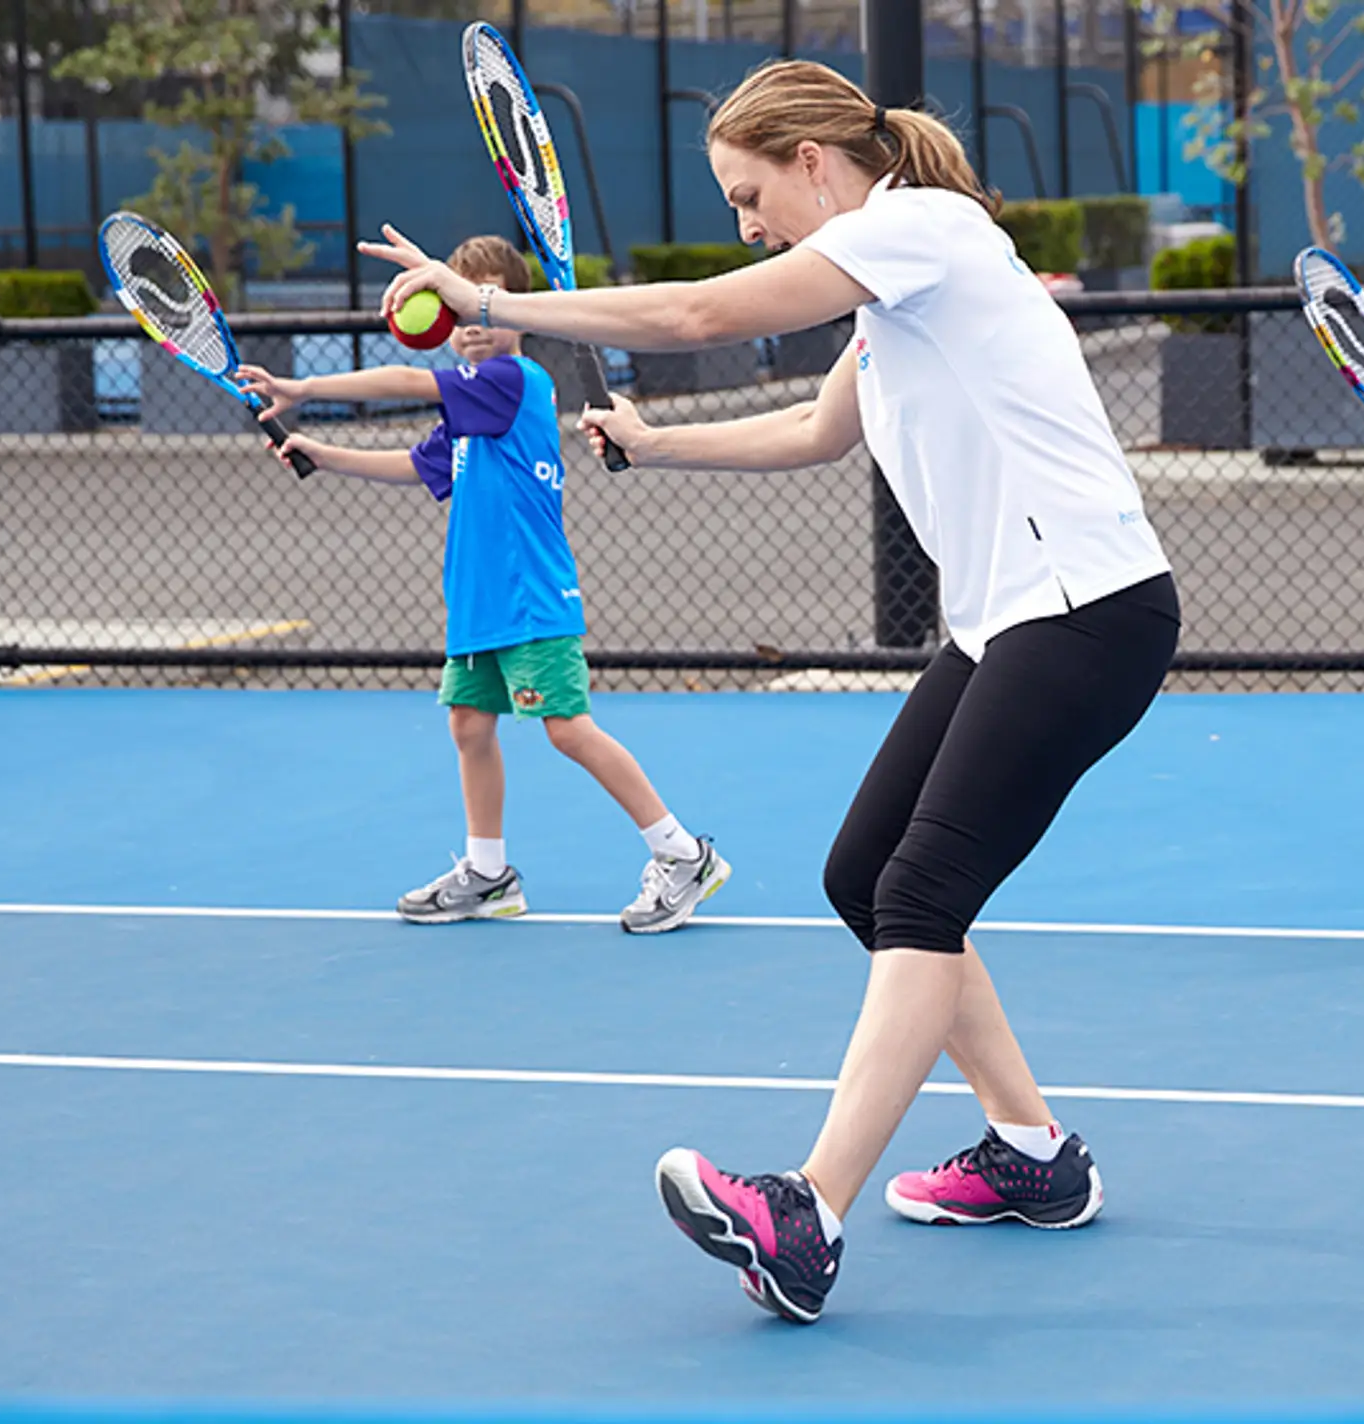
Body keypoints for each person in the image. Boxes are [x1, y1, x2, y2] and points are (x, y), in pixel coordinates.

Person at [365, 59, 1180, 1323]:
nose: (746, 224)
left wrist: (488, 300)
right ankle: (1033, 1154)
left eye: (750, 195)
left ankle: (807, 1211)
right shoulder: (891, 282)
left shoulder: (920, 227)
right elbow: (817, 428)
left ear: (813, 162)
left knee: (920, 888)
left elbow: (702, 316)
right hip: (1003, 618)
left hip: (1083, 610)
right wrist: (659, 442)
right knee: (865, 877)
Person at [238, 235, 731, 934]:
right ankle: (488, 872)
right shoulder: (470, 412)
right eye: (456, 306)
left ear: (518, 311)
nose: (471, 323)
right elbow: (419, 467)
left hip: (529, 595)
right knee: (469, 725)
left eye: (483, 305)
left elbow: (411, 384)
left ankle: (683, 855)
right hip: (478, 603)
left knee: (567, 730)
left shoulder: (514, 382)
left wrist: (305, 389)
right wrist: (323, 451)